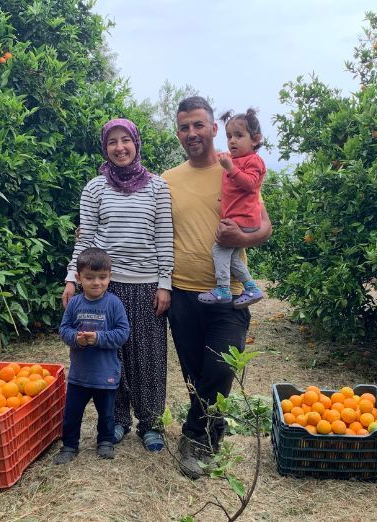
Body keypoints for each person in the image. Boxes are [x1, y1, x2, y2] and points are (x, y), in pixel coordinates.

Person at [161, 96, 272, 479]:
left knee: (220, 368)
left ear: (212, 128)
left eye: (198, 125)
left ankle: (199, 437)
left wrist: (244, 236)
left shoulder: (234, 168)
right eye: (184, 127)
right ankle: (204, 433)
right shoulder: (167, 180)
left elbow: (264, 227)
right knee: (194, 373)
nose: (192, 133)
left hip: (230, 297)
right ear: (178, 133)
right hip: (183, 293)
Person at [61, 118, 173, 453]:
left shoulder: (157, 187)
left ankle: (150, 423)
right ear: (105, 148)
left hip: (147, 283)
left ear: (136, 143)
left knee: (149, 357)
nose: (120, 147)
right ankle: (118, 419)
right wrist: (72, 277)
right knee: (113, 355)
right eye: (112, 142)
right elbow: (86, 238)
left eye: (126, 140)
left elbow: (164, 237)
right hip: (106, 287)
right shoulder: (95, 188)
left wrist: (164, 283)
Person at [55, 248, 130, 464]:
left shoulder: (114, 303)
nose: (96, 282)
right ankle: (70, 445)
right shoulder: (75, 303)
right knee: (72, 413)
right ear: (78, 278)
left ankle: (105, 441)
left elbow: (122, 333)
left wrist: (98, 338)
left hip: (105, 373)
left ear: (110, 277)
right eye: (89, 278)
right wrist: (75, 339)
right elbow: (64, 329)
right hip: (79, 374)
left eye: (102, 277)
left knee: (106, 412)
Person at [198, 108, 266, 308]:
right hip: (237, 218)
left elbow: (251, 184)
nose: (232, 141)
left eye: (239, 135)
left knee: (218, 249)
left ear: (255, 140)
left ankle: (223, 289)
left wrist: (230, 168)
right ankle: (252, 288)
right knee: (233, 258)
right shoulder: (236, 160)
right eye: (229, 136)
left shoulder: (254, 160)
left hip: (243, 219)